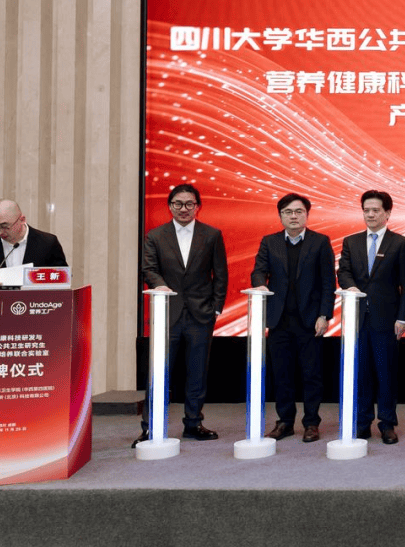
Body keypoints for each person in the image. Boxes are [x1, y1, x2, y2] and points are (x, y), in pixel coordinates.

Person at [134, 184, 228, 446]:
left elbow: (220, 274)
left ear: (198, 206)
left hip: (201, 315)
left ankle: (193, 423)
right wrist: (160, 285)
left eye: (189, 204)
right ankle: (151, 428)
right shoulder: (156, 235)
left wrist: (216, 308)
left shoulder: (212, 235)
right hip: (168, 314)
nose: (183, 208)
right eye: (178, 203)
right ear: (170, 206)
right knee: (159, 373)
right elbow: (149, 269)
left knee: (197, 373)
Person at [251, 193, 335, 443]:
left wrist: (324, 315)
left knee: (312, 375)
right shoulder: (270, 241)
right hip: (279, 320)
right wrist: (260, 285)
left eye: (299, 211)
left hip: (310, 320)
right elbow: (259, 271)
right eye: (288, 212)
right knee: (282, 374)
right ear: (280, 216)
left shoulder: (320, 242)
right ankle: (285, 422)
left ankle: (311, 423)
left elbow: (328, 281)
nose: (294, 216)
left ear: (307, 215)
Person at [337, 190, 405, 445]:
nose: (370, 215)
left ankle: (387, 423)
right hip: (358, 318)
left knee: (386, 373)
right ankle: (362, 423)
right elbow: (343, 272)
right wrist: (350, 287)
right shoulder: (351, 242)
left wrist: (403, 318)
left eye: (375, 210)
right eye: (366, 210)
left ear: (387, 213)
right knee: (361, 372)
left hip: (387, 319)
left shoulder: (399, 243)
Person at [0, 199, 68, 289]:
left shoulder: (48, 243)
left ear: (22, 219)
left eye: (4, 226)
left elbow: (62, 278)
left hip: (36, 299)